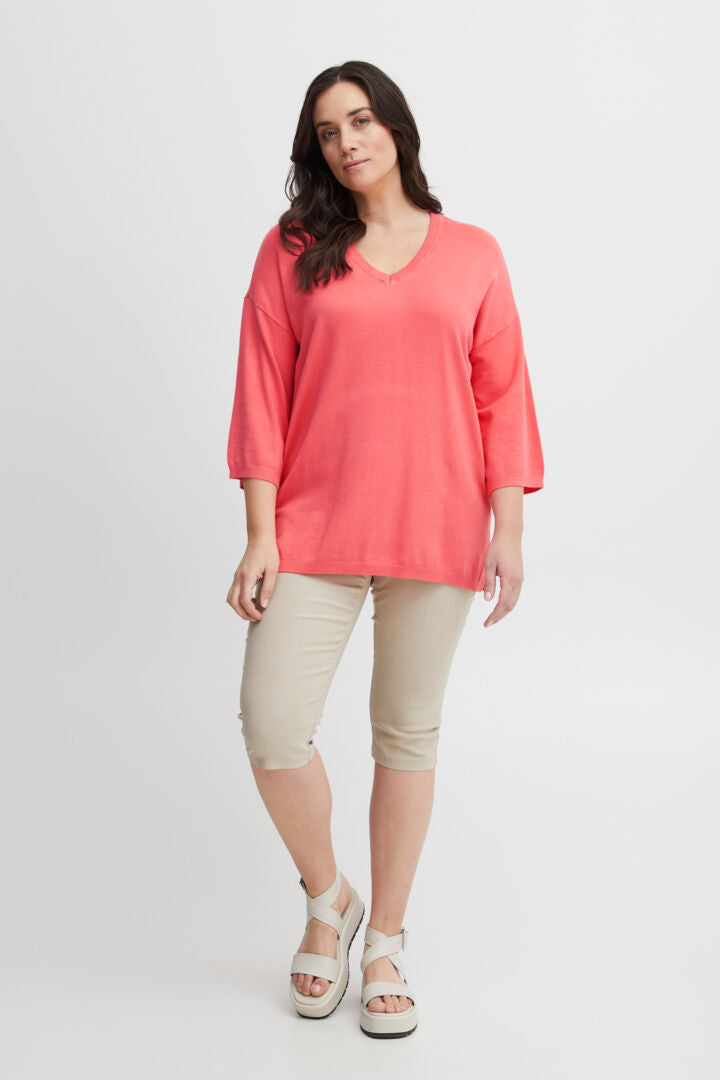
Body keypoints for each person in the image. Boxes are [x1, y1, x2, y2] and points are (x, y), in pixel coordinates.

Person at [225, 61, 544, 1039]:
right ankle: (330, 901)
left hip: (437, 524)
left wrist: (509, 528)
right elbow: (261, 393)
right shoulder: (294, 248)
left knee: (406, 735)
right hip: (314, 525)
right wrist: (260, 533)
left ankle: (387, 942)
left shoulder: (474, 253)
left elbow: (501, 395)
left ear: (396, 127)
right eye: (328, 132)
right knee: (272, 724)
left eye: (361, 120)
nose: (347, 142)